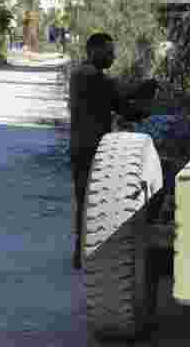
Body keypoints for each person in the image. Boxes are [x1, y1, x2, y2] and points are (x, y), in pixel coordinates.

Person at [68, 32, 159, 270]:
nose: (113, 56)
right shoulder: (86, 75)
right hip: (88, 148)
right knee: (88, 199)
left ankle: (84, 251)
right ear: (92, 51)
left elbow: (121, 107)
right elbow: (122, 92)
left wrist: (144, 112)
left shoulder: (93, 77)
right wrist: (147, 86)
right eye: (108, 52)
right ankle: (84, 252)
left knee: (92, 199)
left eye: (112, 52)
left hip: (91, 147)